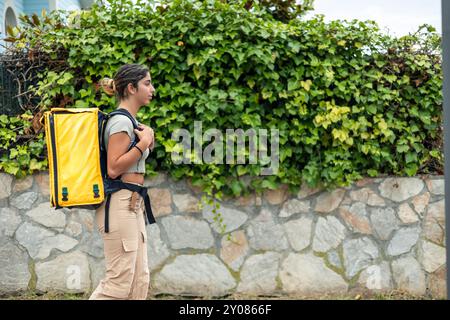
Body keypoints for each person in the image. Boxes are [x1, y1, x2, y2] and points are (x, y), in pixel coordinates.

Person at [89, 64, 155, 300]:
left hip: (133, 204)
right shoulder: (120, 123)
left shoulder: (131, 122)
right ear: (131, 87)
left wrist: (146, 139)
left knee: (139, 280)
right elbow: (114, 168)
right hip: (118, 204)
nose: (152, 89)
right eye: (147, 83)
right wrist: (143, 143)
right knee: (118, 283)